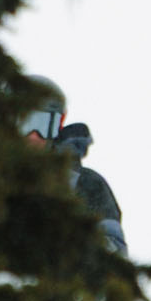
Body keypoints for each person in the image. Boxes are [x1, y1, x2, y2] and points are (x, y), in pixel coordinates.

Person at [19, 78, 126, 258]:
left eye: (43, 124)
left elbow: (113, 255)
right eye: (24, 122)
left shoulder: (85, 184)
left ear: (59, 123)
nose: (33, 136)